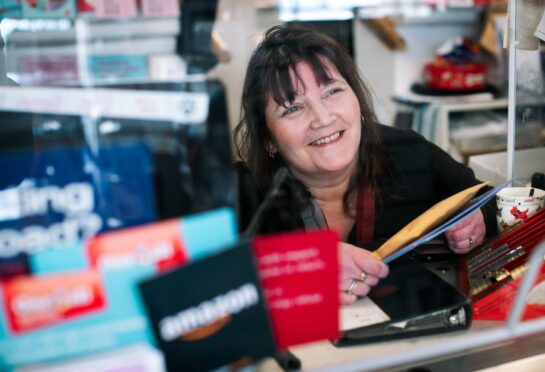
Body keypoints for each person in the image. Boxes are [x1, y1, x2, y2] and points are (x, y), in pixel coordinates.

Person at [233, 24, 497, 305]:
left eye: (332, 91)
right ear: (267, 139)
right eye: (293, 108)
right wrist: (307, 267)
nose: (322, 119)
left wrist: (478, 221)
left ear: (356, 97)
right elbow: (199, 288)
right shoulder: (243, 192)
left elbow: (487, 199)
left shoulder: (409, 152)